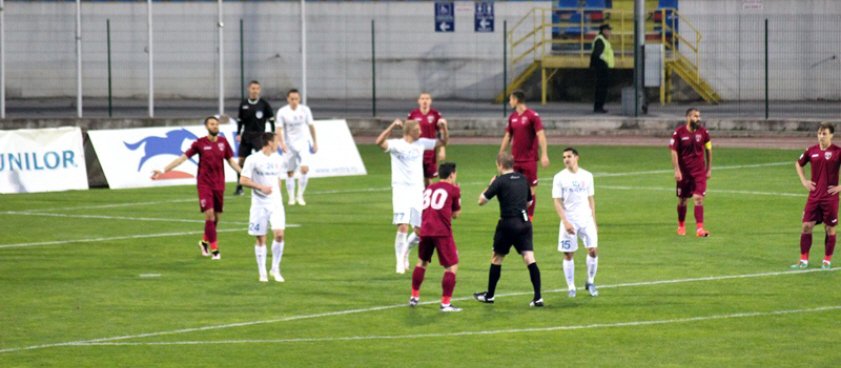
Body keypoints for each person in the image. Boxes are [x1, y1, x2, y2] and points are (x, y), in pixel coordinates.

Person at [152, 115, 241, 260]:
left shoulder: (223, 142)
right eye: (212, 124)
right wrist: (163, 170)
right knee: (210, 214)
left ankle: (204, 242)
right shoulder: (199, 143)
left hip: (219, 184)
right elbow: (181, 159)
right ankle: (215, 250)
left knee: (216, 218)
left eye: (216, 124)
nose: (215, 126)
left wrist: (243, 174)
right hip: (204, 184)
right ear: (206, 127)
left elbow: (231, 161)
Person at [376, 119, 448, 274]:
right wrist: (392, 126)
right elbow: (379, 142)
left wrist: (444, 128)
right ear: (409, 131)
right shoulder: (397, 145)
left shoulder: (421, 143)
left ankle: (406, 252)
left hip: (417, 190)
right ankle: (399, 263)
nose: (421, 131)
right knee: (402, 225)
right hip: (401, 190)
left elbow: (443, 142)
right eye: (418, 128)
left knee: (420, 230)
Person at [474, 152, 544, 307]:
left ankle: (490, 296)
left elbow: (481, 201)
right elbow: (529, 202)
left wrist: (490, 184)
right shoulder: (523, 179)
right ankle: (538, 297)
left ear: (499, 165)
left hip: (507, 224)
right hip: (524, 223)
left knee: (496, 258)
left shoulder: (499, 181)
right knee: (529, 258)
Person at [408, 162, 462, 312]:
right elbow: (456, 214)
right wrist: (460, 196)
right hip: (441, 231)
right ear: (451, 174)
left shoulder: (429, 188)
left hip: (426, 230)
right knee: (452, 266)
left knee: (422, 262)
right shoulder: (453, 189)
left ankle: (414, 297)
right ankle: (445, 303)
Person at [239, 132, 288, 282]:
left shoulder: (279, 159)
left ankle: (275, 268)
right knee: (261, 239)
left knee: (279, 234)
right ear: (269, 143)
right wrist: (260, 187)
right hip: (259, 204)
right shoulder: (253, 159)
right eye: (277, 141)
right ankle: (262, 272)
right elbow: (243, 180)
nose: (279, 144)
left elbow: (278, 179)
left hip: (275, 203)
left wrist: (278, 196)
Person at [792, 122, 841, 270]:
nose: (821, 136)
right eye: (819, 133)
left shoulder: (838, 152)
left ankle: (826, 261)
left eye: (824, 133)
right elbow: (798, 163)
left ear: (832, 135)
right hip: (814, 196)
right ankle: (803, 260)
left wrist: (840, 187)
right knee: (806, 226)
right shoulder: (811, 150)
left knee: (829, 229)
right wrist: (804, 181)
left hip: (830, 198)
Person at [552, 147, 599, 298]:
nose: (566, 159)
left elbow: (590, 198)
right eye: (564, 157)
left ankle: (590, 281)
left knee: (593, 250)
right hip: (570, 220)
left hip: (586, 219)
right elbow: (557, 201)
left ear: (576, 157)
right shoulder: (559, 177)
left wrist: (594, 220)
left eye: (569, 156)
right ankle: (571, 286)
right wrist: (565, 222)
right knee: (568, 254)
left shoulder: (587, 176)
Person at [499, 90, 549, 221]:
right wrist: (501, 153)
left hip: (529, 160)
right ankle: (515, 215)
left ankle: (529, 218)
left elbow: (541, 135)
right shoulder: (512, 117)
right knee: (513, 189)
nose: (509, 102)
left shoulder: (532, 116)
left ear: (516, 100)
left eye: (510, 99)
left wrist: (544, 154)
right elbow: (508, 136)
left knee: (531, 190)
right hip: (514, 160)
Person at [670, 107, 712, 237]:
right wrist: (677, 170)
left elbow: (709, 149)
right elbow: (673, 151)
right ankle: (681, 225)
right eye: (695, 116)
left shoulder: (703, 132)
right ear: (688, 117)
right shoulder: (678, 133)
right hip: (684, 173)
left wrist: (709, 168)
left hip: (699, 173)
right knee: (682, 200)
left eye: (699, 116)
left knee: (698, 198)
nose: (698, 119)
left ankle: (700, 229)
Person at [277, 89, 317, 206]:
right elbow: (279, 129)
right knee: (290, 172)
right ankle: (291, 198)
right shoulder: (282, 112)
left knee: (304, 169)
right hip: (290, 145)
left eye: (296, 99)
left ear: (299, 99)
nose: (294, 101)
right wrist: (282, 143)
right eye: (292, 99)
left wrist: (315, 142)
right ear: (288, 99)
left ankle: (300, 195)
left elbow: (311, 126)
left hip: (303, 143)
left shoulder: (305, 110)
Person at [234, 81, 275, 196]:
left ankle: (263, 182)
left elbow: (271, 120)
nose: (255, 90)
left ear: (260, 90)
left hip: (259, 137)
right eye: (253, 88)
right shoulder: (243, 104)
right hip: (246, 136)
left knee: (262, 160)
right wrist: (238, 133)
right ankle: (239, 185)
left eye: (257, 88)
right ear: (249, 89)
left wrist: (272, 135)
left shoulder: (264, 104)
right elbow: (240, 120)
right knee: (241, 161)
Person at [404, 92, 448, 187]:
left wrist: (442, 149)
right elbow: (407, 132)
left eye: (427, 99)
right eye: (423, 98)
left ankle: (428, 196)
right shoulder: (413, 114)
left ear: (430, 101)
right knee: (416, 176)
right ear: (418, 101)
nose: (425, 101)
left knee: (428, 177)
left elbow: (441, 132)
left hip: (430, 151)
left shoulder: (435, 114)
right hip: (415, 150)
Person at [590, 23, 614, 114]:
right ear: (604, 31)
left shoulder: (603, 40)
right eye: (608, 30)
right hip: (602, 68)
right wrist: (603, 65)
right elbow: (597, 55)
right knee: (601, 89)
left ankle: (599, 106)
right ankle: (598, 107)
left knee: (602, 88)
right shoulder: (600, 40)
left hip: (604, 68)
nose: (610, 32)